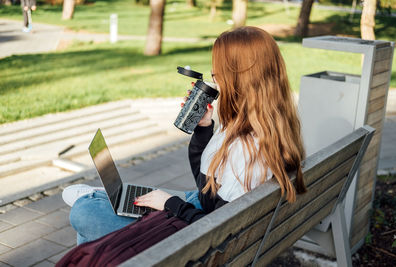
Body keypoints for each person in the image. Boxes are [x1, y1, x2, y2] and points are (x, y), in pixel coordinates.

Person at [62, 26, 307, 246]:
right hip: (201, 207)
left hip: (196, 232)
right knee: (113, 202)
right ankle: (101, 200)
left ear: (239, 79)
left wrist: (170, 204)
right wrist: (204, 126)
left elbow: (217, 230)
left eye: (217, 74)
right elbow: (206, 186)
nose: (214, 80)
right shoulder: (267, 128)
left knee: (84, 214)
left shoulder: (246, 149)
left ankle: (95, 202)